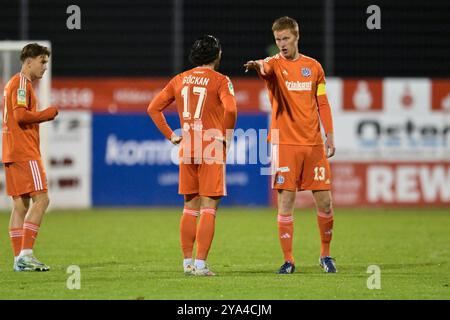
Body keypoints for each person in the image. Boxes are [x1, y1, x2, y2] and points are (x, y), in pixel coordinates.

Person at [244, 16, 337, 273]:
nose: (282, 44)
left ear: (296, 36)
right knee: (286, 201)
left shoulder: (314, 67)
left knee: (325, 202)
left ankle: (326, 255)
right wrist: (258, 65)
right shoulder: (274, 64)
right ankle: (288, 260)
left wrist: (329, 134)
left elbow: (323, 103)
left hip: (313, 144)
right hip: (285, 143)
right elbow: (265, 67)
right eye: (277, 40)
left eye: (285, 39)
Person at [148, 35, 237, 276]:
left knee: (189, 206)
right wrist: (226, 137)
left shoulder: (180, 79)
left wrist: (171, 135)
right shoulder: (221, 80)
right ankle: (201, 265)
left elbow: (153, 108)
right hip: (210, 148)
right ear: (217, 55)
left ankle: (187, 263)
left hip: (187, 148)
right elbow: (231, 108)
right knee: (209, 207)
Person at [2, 43, 58, 271]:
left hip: (11, 150)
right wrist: (47, 114)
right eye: (42, 62)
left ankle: (19, 259)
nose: (45, 67)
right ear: (29, 62)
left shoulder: (13, 83)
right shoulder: (22, 84)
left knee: (20, 205)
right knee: (42, 200)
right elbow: (21, 116)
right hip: (25, 151)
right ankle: (26, 255)